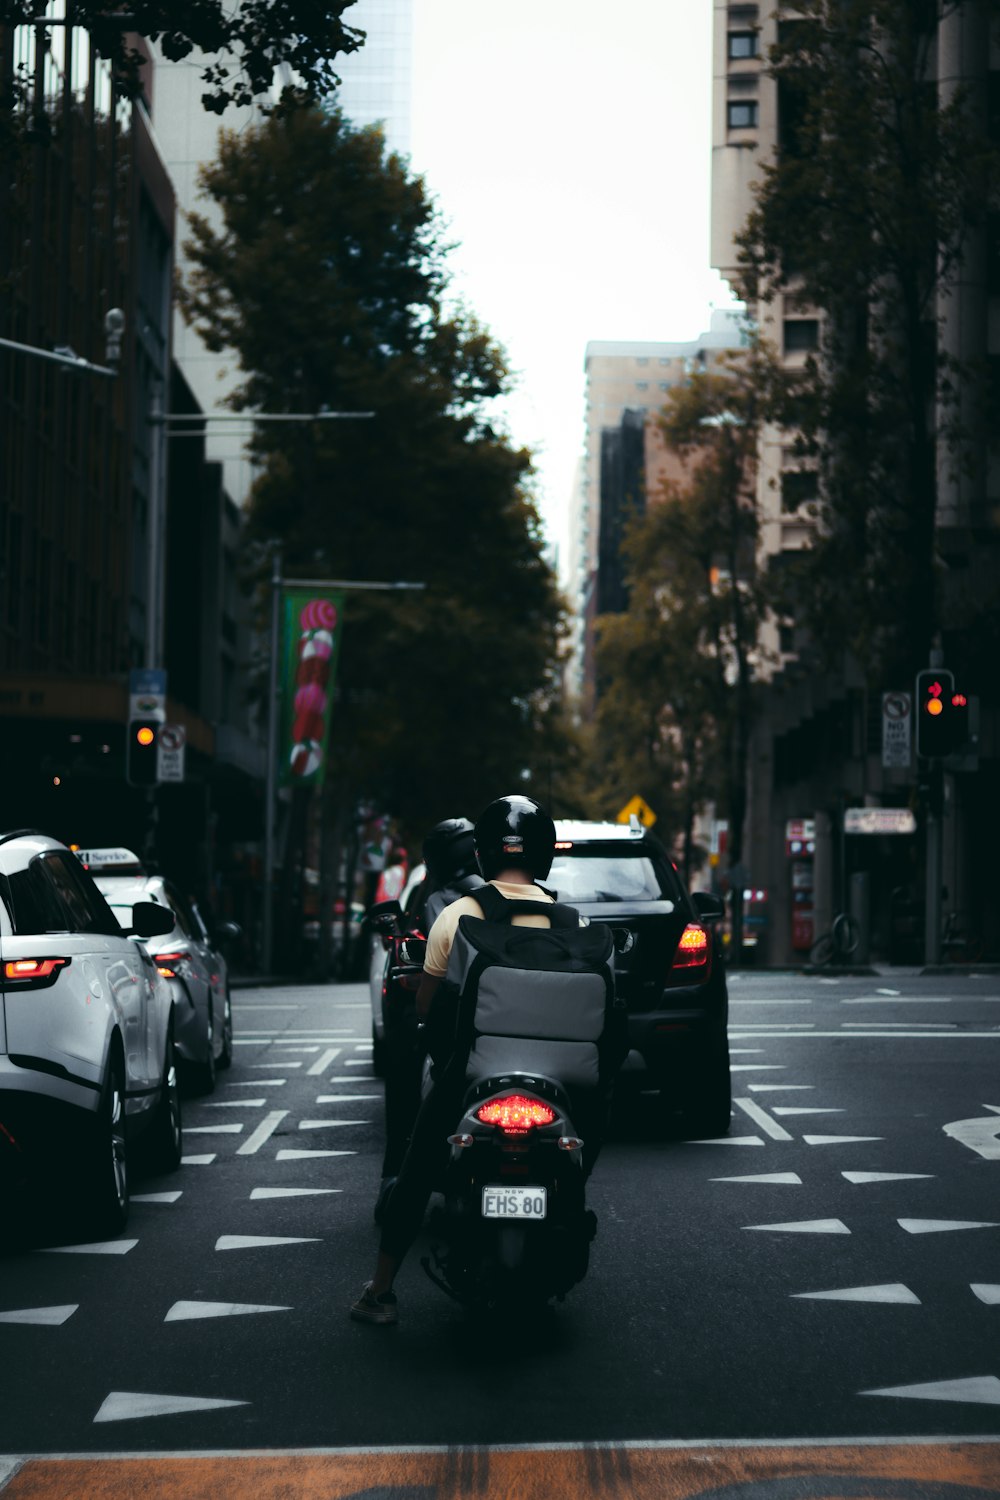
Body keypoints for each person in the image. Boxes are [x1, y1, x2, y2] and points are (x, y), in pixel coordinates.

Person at [350, 793, 567, 1325]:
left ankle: (380, 1290)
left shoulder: (454, 916)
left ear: (483, 855)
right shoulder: (568, 920)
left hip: (472, 1077)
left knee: (417, 1165)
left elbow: (425, 1006)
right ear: (544, 856)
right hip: (555, 1081)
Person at [373, 817, 484, 1221]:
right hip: (523, 1038)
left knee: (417, 1098)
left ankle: (397, 1191)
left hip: (462, 1035)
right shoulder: (546, 904)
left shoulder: (439, 906)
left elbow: (423, 998)